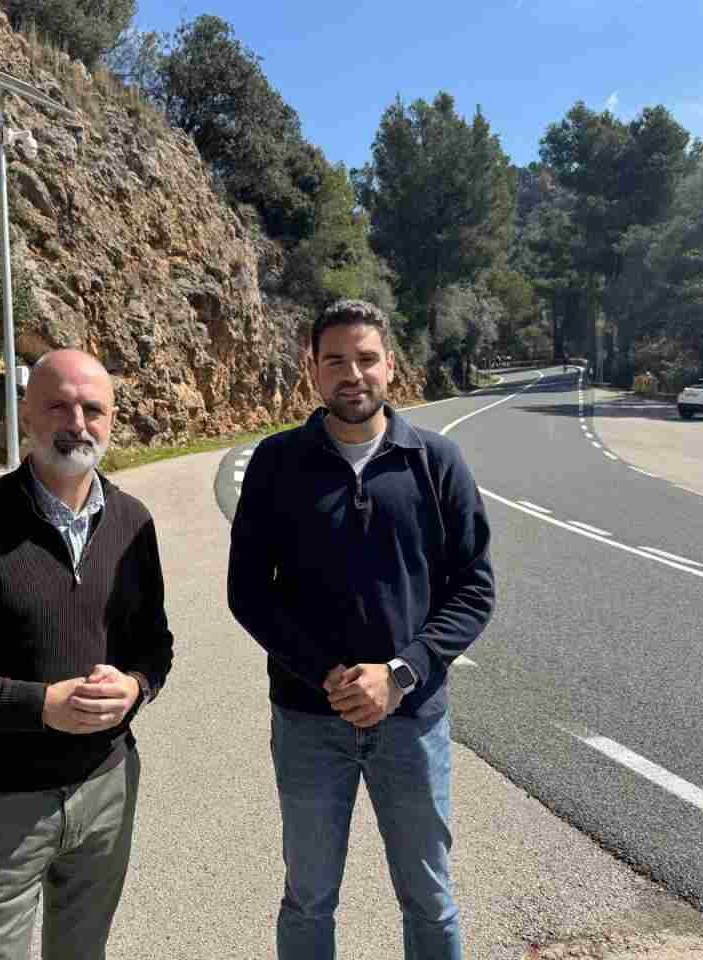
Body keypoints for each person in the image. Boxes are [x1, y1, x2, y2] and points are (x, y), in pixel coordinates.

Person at [228, 299, 495, 960]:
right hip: (308, 724)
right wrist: (328, 675)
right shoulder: (277, 463)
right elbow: (249, 593)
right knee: (309, 898)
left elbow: (475, 587)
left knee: (429, 897)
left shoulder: (436, 462)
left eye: (367, 358)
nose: (353, 373)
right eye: (336, 360)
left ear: (391, 366)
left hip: (413, 722)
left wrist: (402, 672)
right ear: (312, 371)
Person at [0, 349, 173, 960]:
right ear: (26, 415)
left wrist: (136, 686)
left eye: (92, 408)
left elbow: (155, 644)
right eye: (58, 406)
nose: (77, 422)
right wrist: (39, 705)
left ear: (112, 419)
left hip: (106, 793)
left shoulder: (132, 523)